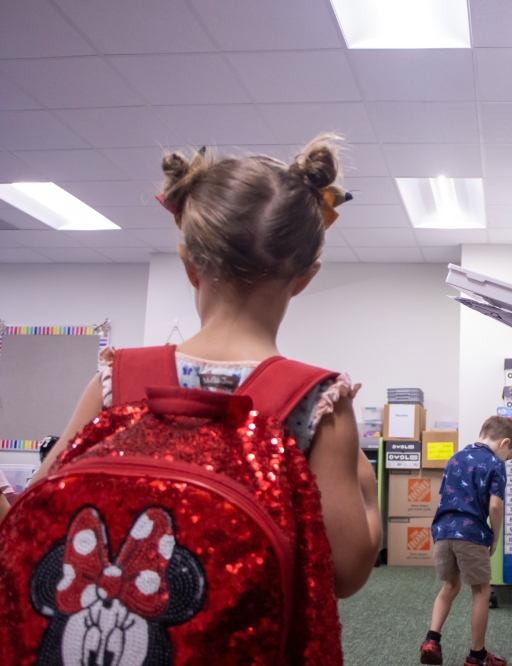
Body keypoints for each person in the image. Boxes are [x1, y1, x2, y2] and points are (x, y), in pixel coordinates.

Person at [30, 135, 382, 602]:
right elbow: (346, 573)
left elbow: (33, 516)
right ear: (305, 278)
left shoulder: (116, 382)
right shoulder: (317, 401)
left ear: (189, 264)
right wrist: (370, 492)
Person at [419, 416, 512, 666]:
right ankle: (477, 656)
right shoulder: (495, 464)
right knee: (481, 591)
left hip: (443, 532)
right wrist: (495, 537)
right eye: (509, 455)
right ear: (505, 442)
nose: (506, 460)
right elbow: (495, 507)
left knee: (450, 587)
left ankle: (431, 640)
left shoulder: (455, 458)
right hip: (471, 534)